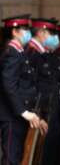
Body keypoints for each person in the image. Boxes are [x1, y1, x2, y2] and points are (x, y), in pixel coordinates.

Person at [25, 17, 60, 165]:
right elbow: (35, 85)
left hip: (53, 113)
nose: (55, 37)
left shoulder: (47, 55)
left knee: (53, 156)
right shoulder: (31, 54)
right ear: (41, 32)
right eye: (51, 33)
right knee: (41, 157)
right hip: (42, 113)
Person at [0, 14, 47, 165]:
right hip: (12, 116)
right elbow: (9, 85)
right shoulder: (11, 53)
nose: (28, 32)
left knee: (20, 157)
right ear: (14, 31)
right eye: (24, 29)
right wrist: (24, 112)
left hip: (19, 115)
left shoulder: (20, 53)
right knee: (11, 159)